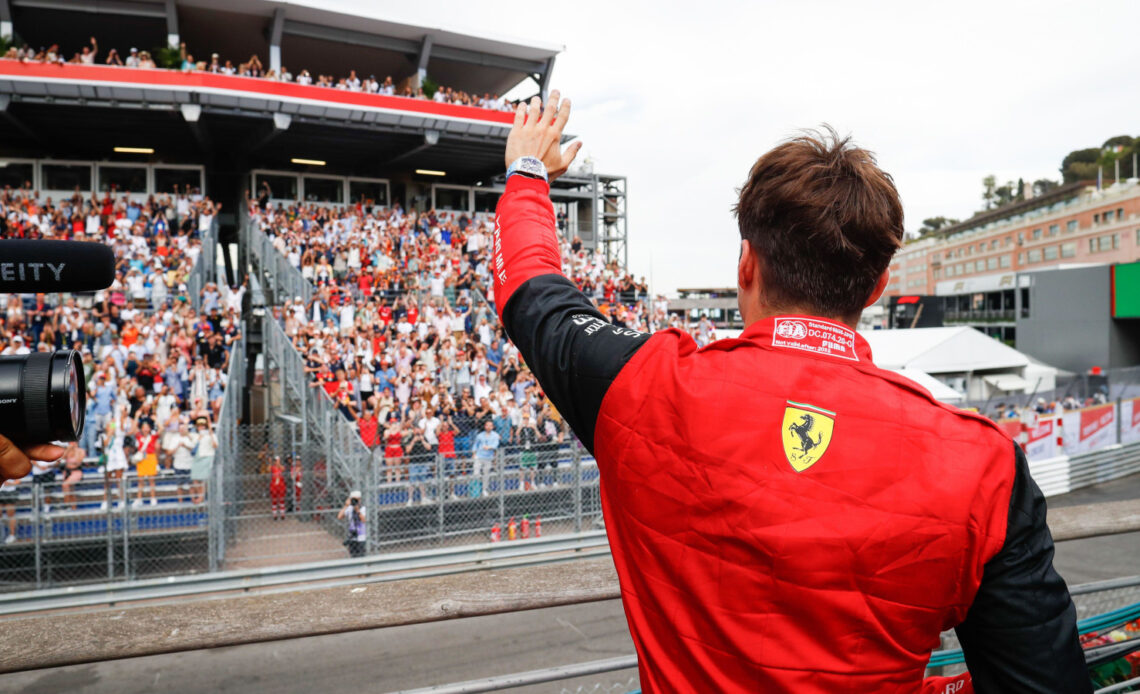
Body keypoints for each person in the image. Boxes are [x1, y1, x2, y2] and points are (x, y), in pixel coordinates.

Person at [489, 93, 1089, 693]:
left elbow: (534, 295)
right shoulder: (982, 466)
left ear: (745, 265)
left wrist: (527, 174)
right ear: (877, 286)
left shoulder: (645, 385)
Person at [471, 420, 499, 499]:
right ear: (485, 426)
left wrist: (489, 447)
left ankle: (484, 489)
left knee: (486, 474)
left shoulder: (495, 435)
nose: (489, 427)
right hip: (479, 456)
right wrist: (474, 453)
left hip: (488, 457)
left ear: (493, 427)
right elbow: (475, 444)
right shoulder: (480, 435)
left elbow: (495, 445)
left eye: (490, 425)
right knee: (476, 473)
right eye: (487, 425)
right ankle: (476, 489)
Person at [337, 490, 366, 558]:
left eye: (356, 499)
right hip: (352, 537)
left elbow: (363, 520)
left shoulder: (363, 508)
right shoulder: (349, 508)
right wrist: (346, 506)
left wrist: (357, 510)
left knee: (361, 556)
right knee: (353, 556)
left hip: (361, 537)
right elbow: (339, 516)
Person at [269, 456, 287, 520]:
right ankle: (275, 514)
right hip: (274, 485)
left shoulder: (281, 467)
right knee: (274, 500)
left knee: (281, 499)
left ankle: (282, 514)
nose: (276, 462)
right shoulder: (272, 467)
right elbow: (268, 469)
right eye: (275, 461)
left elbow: (283, 469)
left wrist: (278, 464)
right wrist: (270, 462)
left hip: (281, 485)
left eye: (277, 460)